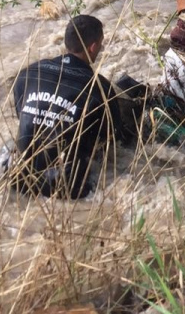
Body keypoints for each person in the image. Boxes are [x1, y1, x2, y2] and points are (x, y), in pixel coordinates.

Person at [10, 14, 138, 198]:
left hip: (18, 177)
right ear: (93, 47)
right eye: (100, 44)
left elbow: (21, 114)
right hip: (68, 189)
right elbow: (112, 138)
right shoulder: (99, 88)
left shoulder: (27, 74)